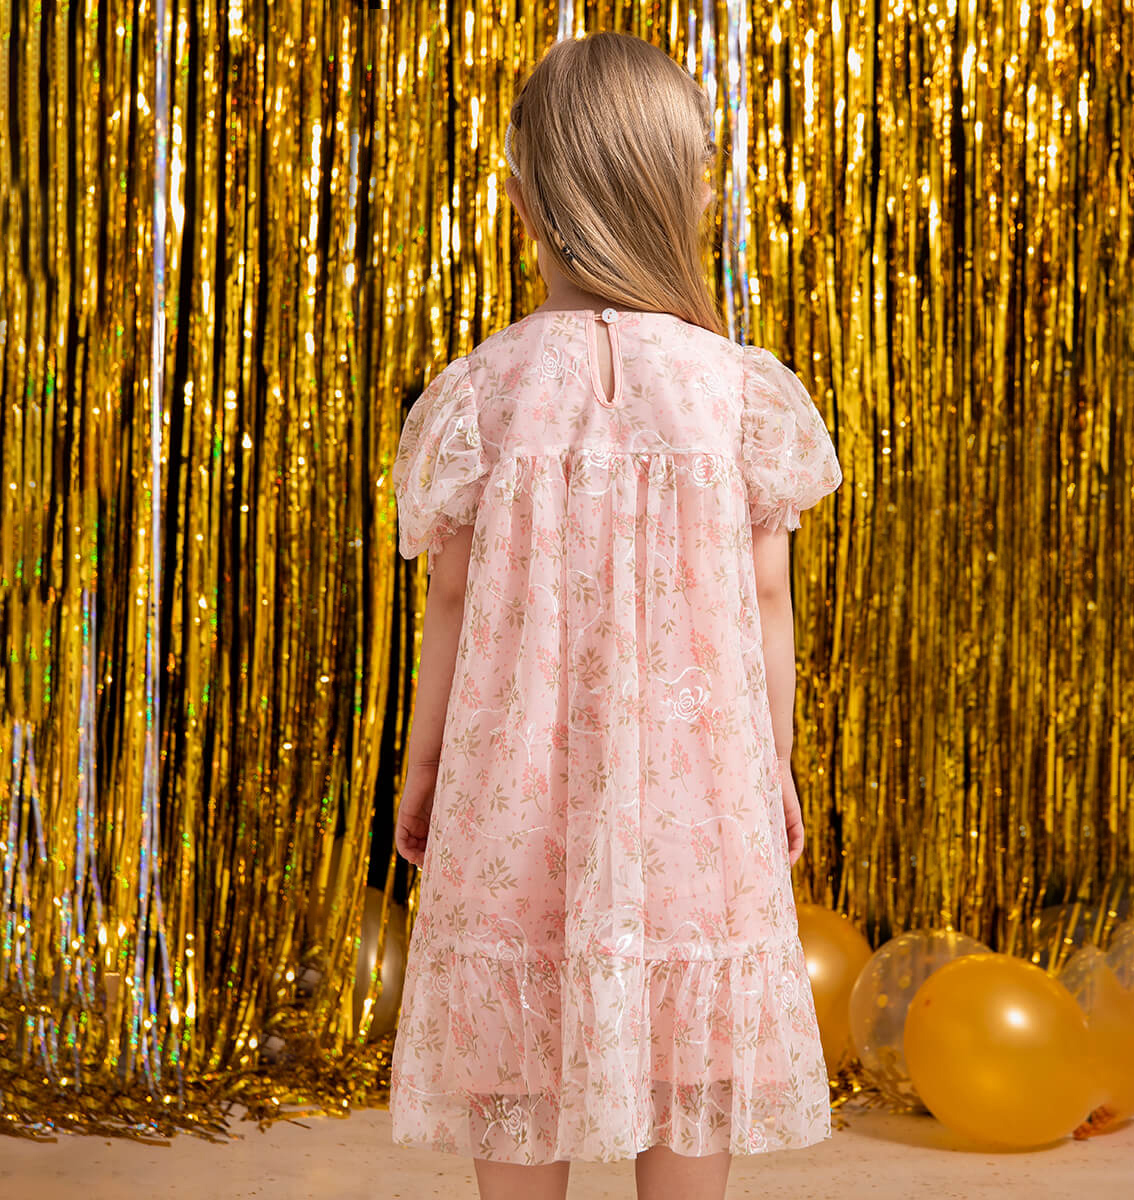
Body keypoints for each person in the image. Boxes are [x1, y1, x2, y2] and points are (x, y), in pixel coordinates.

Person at [388, 31, 841, 1200]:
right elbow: (768, 603)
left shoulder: (481, 394)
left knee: (513, 1036)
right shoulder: (739, 393)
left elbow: (449, 602)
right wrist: (773, 764)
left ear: (523, 202)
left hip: (515, 786)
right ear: (685, 197)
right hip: (699, 786)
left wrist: (426, 765)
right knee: (690, 1046)